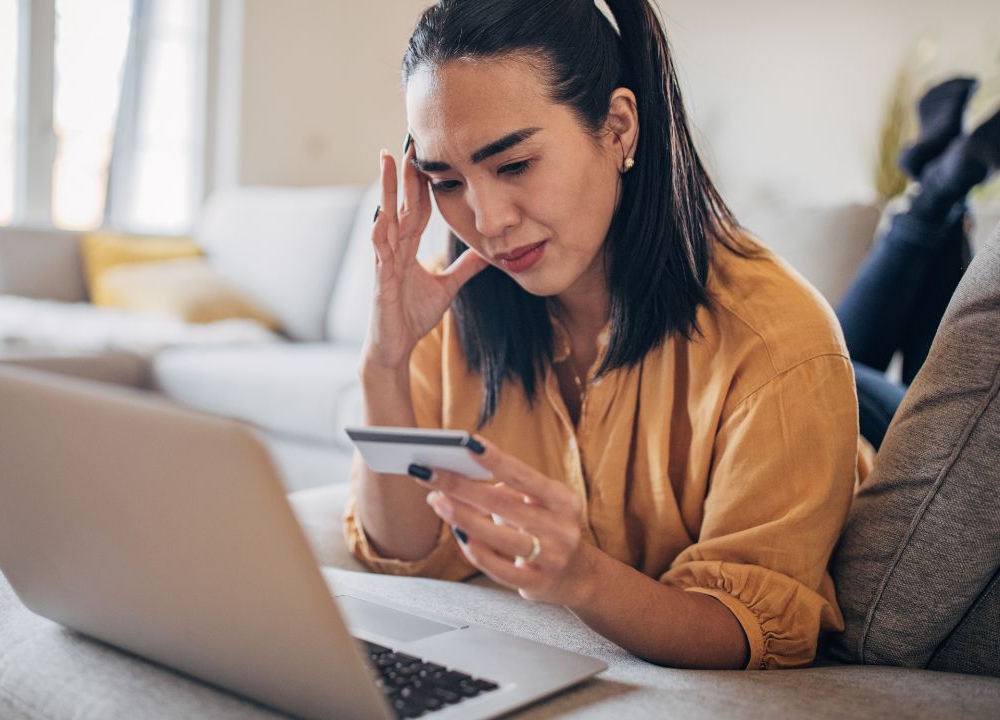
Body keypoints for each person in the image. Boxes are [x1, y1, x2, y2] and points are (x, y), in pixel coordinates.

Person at [345, 0, 867, 671]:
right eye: (447, 181)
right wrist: (384, 361)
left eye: (513, 165)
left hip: (829, 406)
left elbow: (753, 630)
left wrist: (581, 578)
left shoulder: (780, 343)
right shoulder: (463, 303)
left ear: (618, 127)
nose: (487, 220)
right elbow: (403, 550)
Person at [837, 77, 1000, 448]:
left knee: (806, 368)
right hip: (916, 434)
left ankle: (939, 190)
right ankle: (940, 190)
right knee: (814, 368)